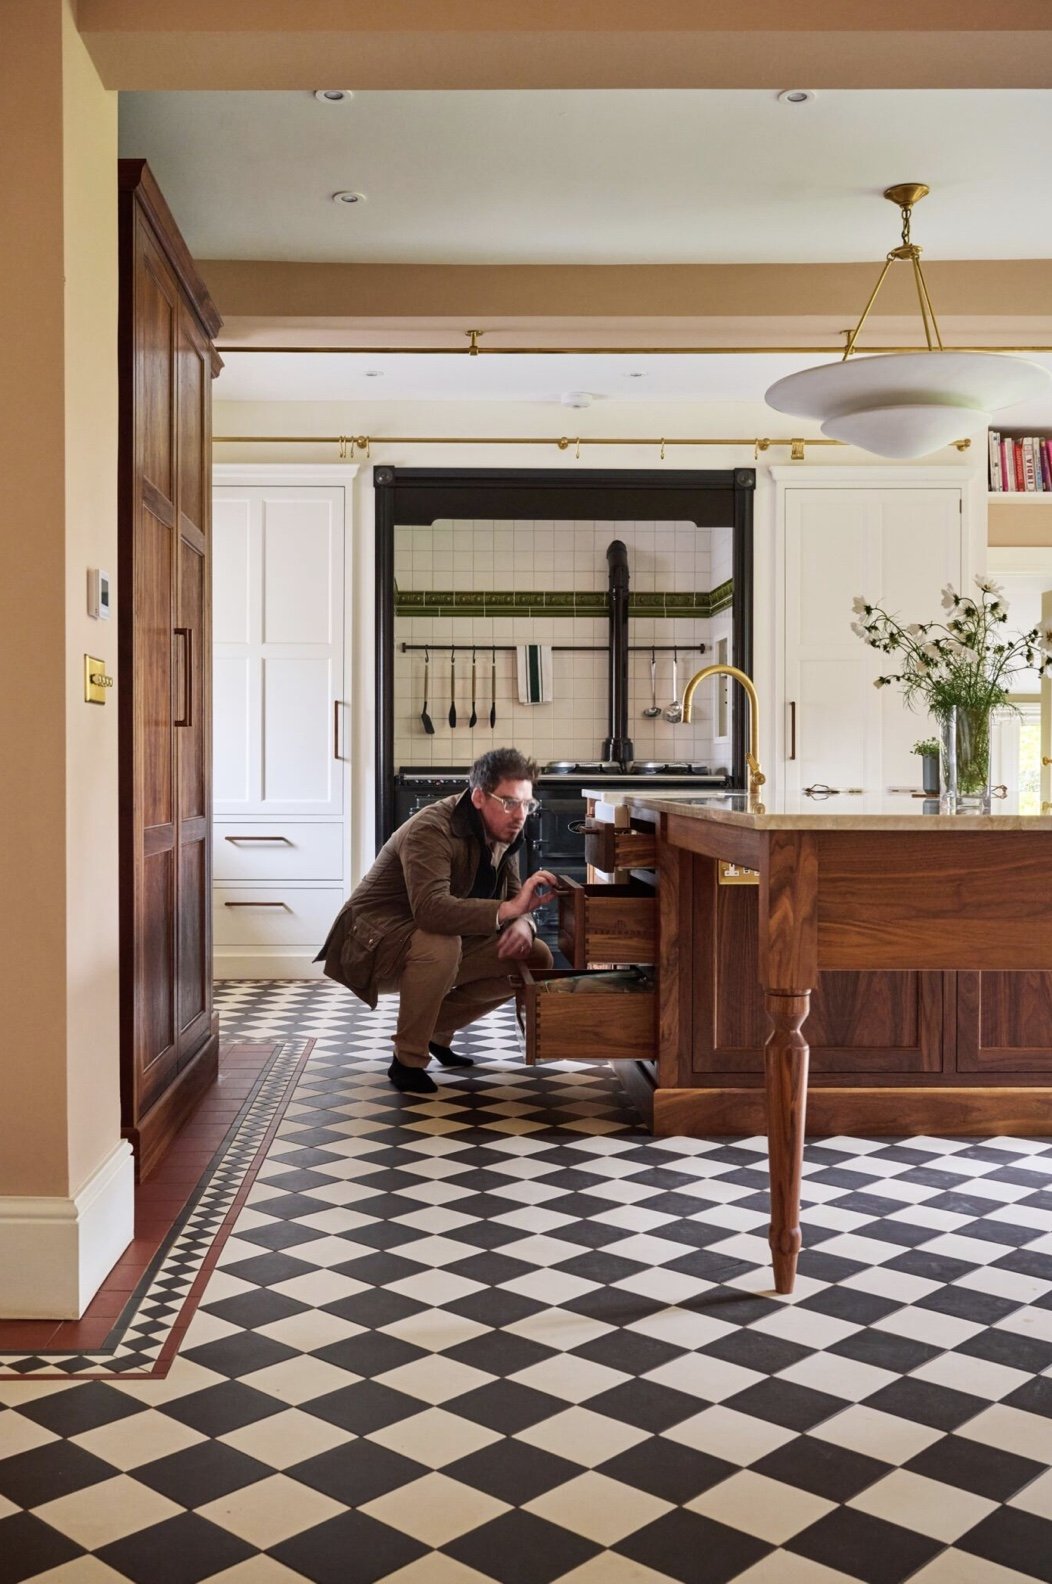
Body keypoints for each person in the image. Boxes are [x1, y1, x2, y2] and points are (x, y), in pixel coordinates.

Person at [316, 747, 557, 1094]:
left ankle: (435, 1033)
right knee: (440, 940)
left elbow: (513, 898)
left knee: (533, 956)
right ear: (478, 796)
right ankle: (407, 1061)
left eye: (526, 804)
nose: (519, 814)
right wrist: (510, 910)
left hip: (432, 941)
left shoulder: (505, 830)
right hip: (371, 944)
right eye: (508, 802)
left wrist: (524, 922)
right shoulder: (432, 829)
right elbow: (431, 910)